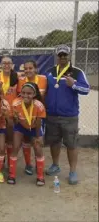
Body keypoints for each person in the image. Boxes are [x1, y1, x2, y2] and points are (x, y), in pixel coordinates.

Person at [44, 45, 90, 185]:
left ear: (69, 56)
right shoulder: (49, 72)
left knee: (71, 145)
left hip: (69, 116)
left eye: (65, 55)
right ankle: (55, 165)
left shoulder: (76, 72)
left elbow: (86, 89)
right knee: (54, 142)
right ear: (56, 56)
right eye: (60, 55)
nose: (63, 57)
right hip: (51, 115)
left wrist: (74, 85)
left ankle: (72, 171)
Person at [8, 82, 46, 186]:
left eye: (29, 93)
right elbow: (14, 123)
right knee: (15, 147)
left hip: (34, 128)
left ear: (34, 94)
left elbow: (38, 122)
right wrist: (15, 119)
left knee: (38, 149)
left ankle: (40, 176)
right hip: (20, 126)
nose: (25, 95)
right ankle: (11, 175)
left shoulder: (39, 105)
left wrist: (38, 137)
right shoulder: (16, 103)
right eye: (23, 93)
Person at [16, 60, 47, 175]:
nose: (28, 70)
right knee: (25, 140)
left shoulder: (44, 79)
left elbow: (46, 95)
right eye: (26, 68)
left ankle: (39, 171)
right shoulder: (20, 80)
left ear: (36, 69)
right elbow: (20, 98)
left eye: (30, 68)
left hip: (37, 116)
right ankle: (28, 164)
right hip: (24, 116)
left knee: (37, 143)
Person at [0, 56, 19, 167]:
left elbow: (20, 94)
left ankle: (9, 162)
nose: (6, 65)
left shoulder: (17, 77)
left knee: (10, 138)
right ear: (1, 65)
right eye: (4, 63)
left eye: (9, 63)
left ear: (12, 64)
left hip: (12, 113)